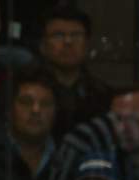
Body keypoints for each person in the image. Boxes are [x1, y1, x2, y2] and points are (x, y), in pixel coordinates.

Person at [38, 4, 112, 140]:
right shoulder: (25, 88)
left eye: (76, 35)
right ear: (43, 45)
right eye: (58, 35)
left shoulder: (101, 93)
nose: (68, 42)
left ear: (87, 44)